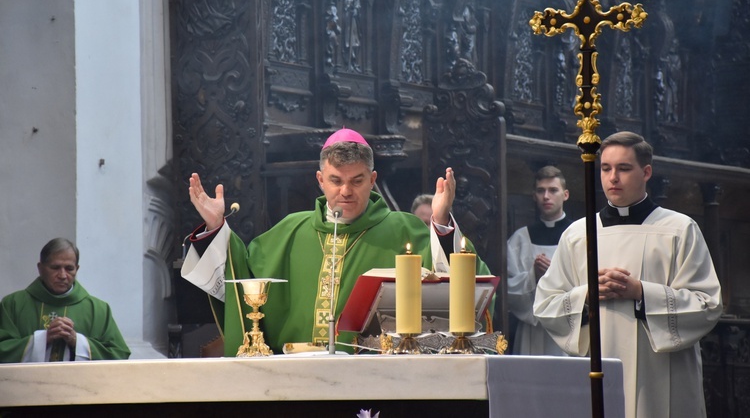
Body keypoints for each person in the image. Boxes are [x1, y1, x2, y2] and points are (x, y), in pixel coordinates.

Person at [182, 128, 493, 355]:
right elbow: (242, 280)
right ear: (320, 180)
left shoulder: (403, 229)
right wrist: (216, 229)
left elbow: (464, 280)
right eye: (336, 180)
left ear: (372, 180)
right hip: (293, 375)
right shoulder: (291, 230)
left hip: (376, 375)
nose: (346, 191)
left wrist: (440, 222)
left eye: (357, 180)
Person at [534, 132, 722, 418]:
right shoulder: (577, 235)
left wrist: (642, 293)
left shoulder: (680, 230)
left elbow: (707, 304)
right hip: (597, 370)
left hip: (660, 378)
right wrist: (588, 295)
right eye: (606, 168)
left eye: (623, 168)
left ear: (646, 172)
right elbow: (546, 305)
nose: (613, 178)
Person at [0, 238, 131, 363]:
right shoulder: (13, 305)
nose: (62, 275)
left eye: (69, 268)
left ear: (77, 269)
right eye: (55, 267)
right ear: (40, 268)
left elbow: (119, 355)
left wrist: (77, 342)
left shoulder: (98, 310)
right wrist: (42, 340)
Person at [506, 165, 574, 355]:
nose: (546, 196)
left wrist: (554, 275)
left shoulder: (580, 234)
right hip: (532, 329)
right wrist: (533, 276)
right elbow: (508, 291)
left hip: (569, 327)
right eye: (540, 191)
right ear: (534, 196)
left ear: (565, 195)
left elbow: (590, 283)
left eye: (553, 190)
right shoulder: (521, 238)